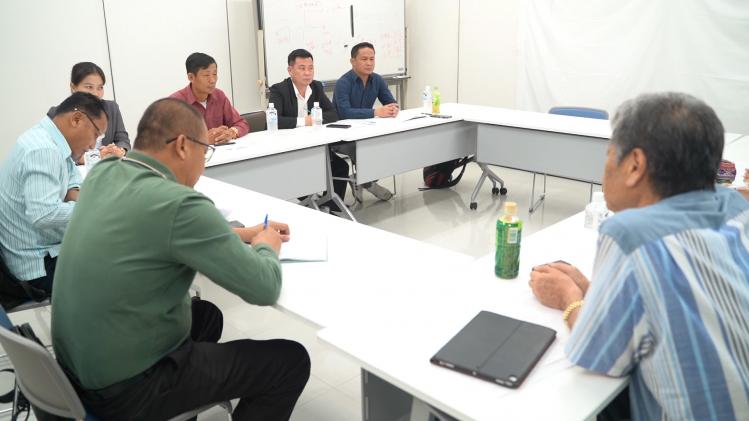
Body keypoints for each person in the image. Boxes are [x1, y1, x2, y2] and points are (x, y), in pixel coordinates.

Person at [51, 98, 310, 420]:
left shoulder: (104, 172)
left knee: (206, 316)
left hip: (73, 372)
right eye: (206, 151)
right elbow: (264, 287)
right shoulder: (180, 203)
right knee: (289, 362)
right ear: (183, 146)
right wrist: (267, 245)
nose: (203, 165)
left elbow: (160, 229)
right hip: (124, 389)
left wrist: (245, 234)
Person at [529, 92, 749, 420]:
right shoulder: (735, 208)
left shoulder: (631, 234)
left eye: (608, 155)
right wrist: (592, 289)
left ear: (635, 165)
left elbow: (596, 352)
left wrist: (568, 297)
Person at [0, 92, 107, 295]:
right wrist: (95, 208)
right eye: (96, 134)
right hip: (37, 265)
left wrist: (83, 201)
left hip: (42, 249)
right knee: (121, 271)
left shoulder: (51, 139)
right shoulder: (43, 150)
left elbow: (72, 181)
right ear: (76, 119)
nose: (93, 145)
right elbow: (44, 214)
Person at [268, 48, 349, 209]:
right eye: (302, 68)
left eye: (310, 68)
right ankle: (312, 205)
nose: (307, 73)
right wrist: (305, 121)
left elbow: (333, 114)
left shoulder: (316, 87)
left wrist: (315, 119)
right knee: (302, 174)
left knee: (341, 167)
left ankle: (332, 208)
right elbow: (275, 121)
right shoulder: (279, 90)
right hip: (289, 149)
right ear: (290, 70)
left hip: (314, 146)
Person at [333, 42, 399, 202]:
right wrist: (375, 112)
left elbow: (391, 102)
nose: (369, 63)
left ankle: (359, 179)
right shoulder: (343, 83)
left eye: (372, 59)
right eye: (364, 59)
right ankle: (368, 183)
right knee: (368, 151)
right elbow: (345, 113)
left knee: (387, 147)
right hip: (343, 136)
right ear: (353, 61)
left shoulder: (377, 80)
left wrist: (393, 108)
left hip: (366, 131)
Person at [48, 62, 130, 159]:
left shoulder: (111, 108)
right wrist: (94, 157)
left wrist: (118, 151)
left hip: (105, 165)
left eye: (100, 88)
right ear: (73, 87)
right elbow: (55, 152)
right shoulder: (57, 114)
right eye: (89, 87)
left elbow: (123, 140)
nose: (96, 93)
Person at [170, 52, 249, 144]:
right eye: (206, 75)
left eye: (214, 74)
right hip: (193, 153)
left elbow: (241, 123)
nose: (212, 80)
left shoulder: (219, 96)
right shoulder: (175, 103)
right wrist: (202, 139)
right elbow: (168, 141)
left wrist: (231, 132)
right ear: (191, 77)